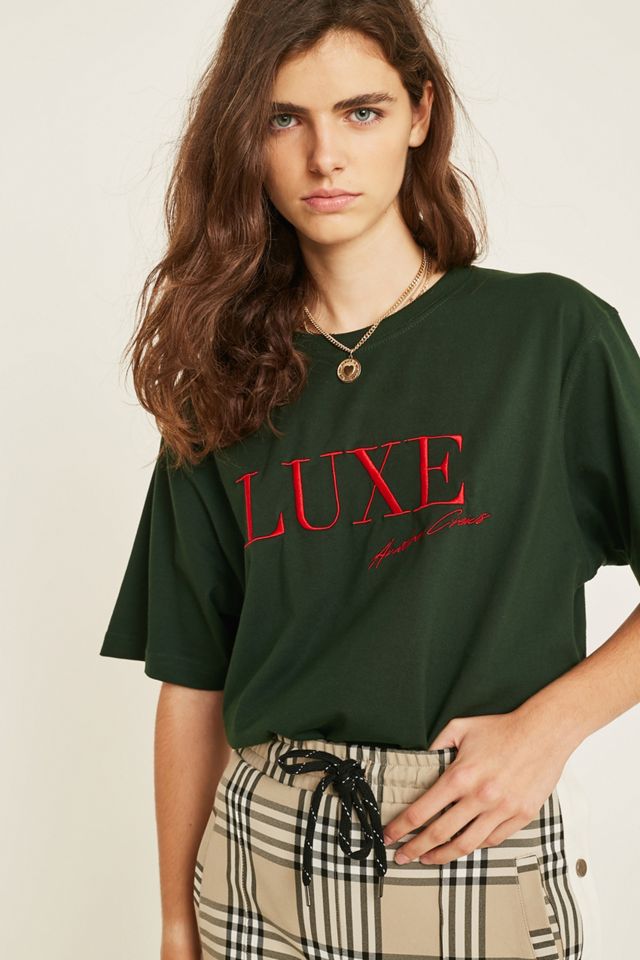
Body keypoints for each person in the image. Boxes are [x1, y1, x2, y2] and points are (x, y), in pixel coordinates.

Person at [100, 1, 640, 958]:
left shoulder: (549, 338)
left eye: (361, 112)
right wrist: (178, 923)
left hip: (460, 840)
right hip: (256, 861)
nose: (325, 158)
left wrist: (548, 729)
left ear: (419, 113)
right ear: (245, 135)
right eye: (283, 118)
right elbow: (193, 681)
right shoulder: (220, 386)